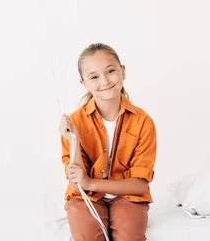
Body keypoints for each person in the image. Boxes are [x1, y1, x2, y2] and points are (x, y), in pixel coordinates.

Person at [59, 43, 157, 241]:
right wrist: (74, 140)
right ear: (84, 83)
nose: (104, 81)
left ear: (122, 71)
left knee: (129, 237)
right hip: (85, 198)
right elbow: (78, 187)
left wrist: (90, 182)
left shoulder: (143, 122)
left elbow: (139, 186)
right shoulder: (74, 122)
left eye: (110, 71)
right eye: (94, 77)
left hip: (128, 198)